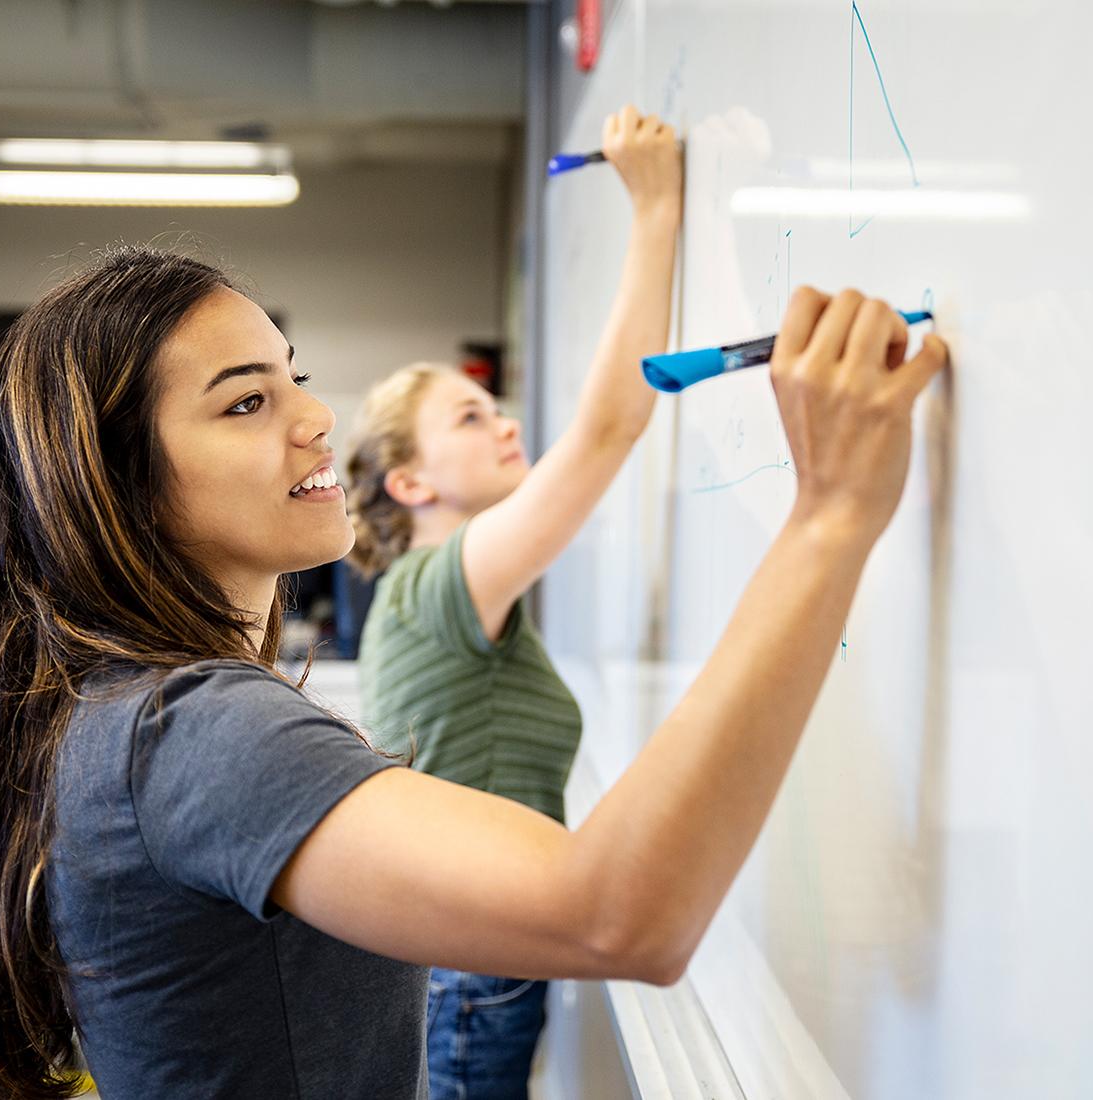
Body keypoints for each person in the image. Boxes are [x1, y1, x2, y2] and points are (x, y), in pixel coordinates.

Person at [0, 233, 945, 1099]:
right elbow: (619, 910)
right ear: (125, 487)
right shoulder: (189, 730)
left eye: (293, 378)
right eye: (247, 401)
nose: (316, 416)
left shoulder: (119, 711)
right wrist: (833, 515)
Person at [343, 104, 679, 1096]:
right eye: (471, 414)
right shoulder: (440, 586)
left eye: (495, 404)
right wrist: (655, 207)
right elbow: (612, 424)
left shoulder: (445, 598)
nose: (506, 424)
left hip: (472, 966)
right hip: (467, 975)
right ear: (411, 483)